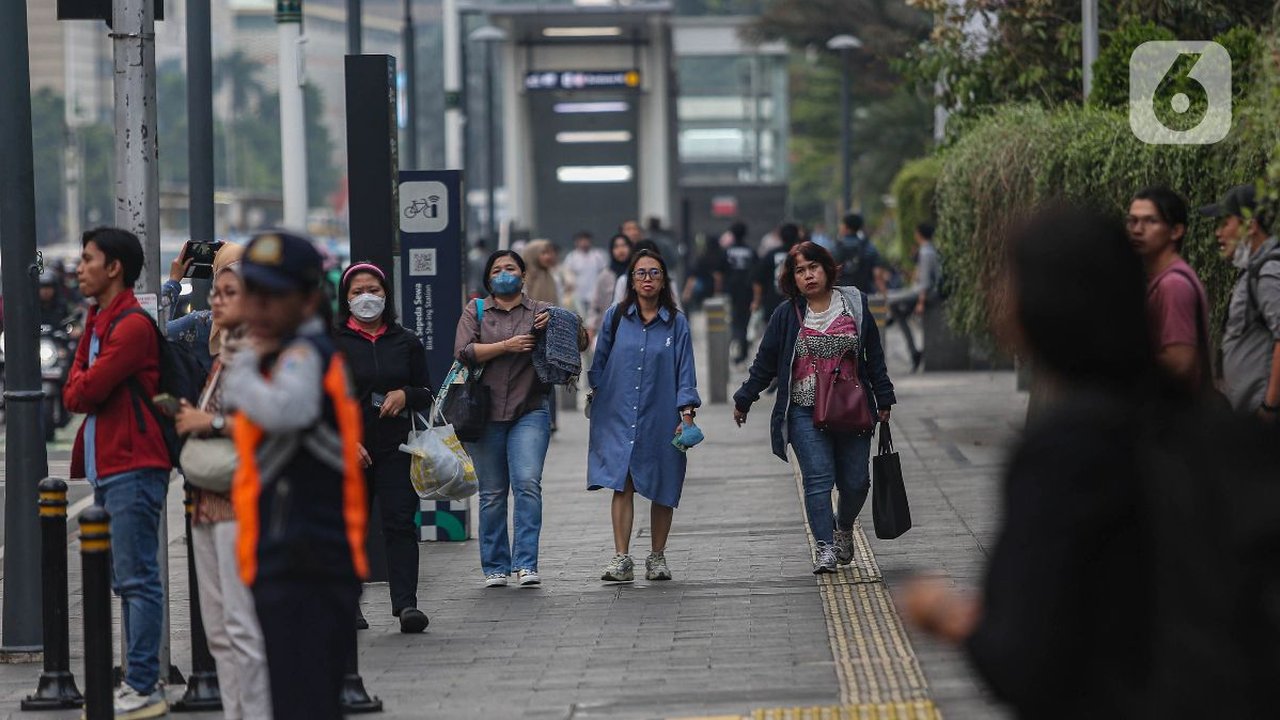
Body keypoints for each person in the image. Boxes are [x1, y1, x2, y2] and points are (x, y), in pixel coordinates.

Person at [901, 205, 1280, 718]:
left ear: (1040, 307)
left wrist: (941, 611)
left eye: (1009, 280)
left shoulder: (1065, 450)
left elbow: (1022, 658)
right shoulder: (1217, 429)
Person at [225, 231, 369, 720]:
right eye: (252, 292)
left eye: (273, 294)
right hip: (293, 556)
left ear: (308, 299)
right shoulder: (292, 352)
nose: (258, 306)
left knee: (302, 702)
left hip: (305, 561)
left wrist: (241, 368)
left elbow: (288, 411)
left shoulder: (303, 355)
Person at [733, 241, 896, 573]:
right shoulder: (786, 314)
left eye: (813, 267)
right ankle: (825, 548)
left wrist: (884, 397)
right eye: (800, 271)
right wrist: (745, 397)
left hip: (851, 408)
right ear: (792, 278)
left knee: (856, 483)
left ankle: (843, 526)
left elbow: (874, 356)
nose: (808, 276)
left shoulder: (854, 303)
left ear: (827, 268)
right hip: (804, 411)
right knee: (818, 479)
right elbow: (765, 362)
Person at [63, 227, 172, 719]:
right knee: (122, 580)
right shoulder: (100, 319)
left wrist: (83, 384)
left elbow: (85, 391)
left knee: (137, 579)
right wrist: (83, 380)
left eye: (88, 259)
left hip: (134, 464)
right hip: (107, 465)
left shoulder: (131, 327)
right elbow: (73, 390)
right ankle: (137, 679)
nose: (80, 268)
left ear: (114, 268)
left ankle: (144, 684)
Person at [173, 245, 274, 720]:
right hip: (207, 502)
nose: (216, 301)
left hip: (242, 502)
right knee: (218, 629)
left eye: (229, 293)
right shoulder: (220, 355)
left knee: (242, 624)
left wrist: (208, 423)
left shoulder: (261, 355)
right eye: (216, 291)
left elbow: (272, 425)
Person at [333, 261, 434, 633]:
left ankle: (406, 605)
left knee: (400, 523)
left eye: (373, 291)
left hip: (397, 448)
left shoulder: (406, 341)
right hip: (349, 449)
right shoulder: (333, 343)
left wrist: (405, 394)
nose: (366, 298)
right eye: (358, 292)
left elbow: (426, 391)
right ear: (345, 298)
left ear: (386, 295)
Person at [588, 250, 700, 582]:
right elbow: (599, 363)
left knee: (664, 482)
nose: (647, 279)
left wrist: (687, 413)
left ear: (664, 281)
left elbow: (685, 371)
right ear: (632, 281)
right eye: (641, 273)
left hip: (661, 415)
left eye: (654, 273)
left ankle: (657, 557)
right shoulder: (616, 317)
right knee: (622, 482)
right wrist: (599, 399)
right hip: (618, 414)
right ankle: (621, 558)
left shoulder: (676, 322)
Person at [454, 251, 559, 587]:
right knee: (492, 493)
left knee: (527, 483)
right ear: (488, 278)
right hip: (484, 414)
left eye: (510, 268)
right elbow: (465, 352)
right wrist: (506, 346)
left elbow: (576, 344)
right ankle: (495, 566)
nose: (504, 274)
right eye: (497, 270)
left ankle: (526, 563)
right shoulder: (476, 310)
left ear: (523, 275)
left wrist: (557, 324)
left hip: (530, 410)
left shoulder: (541, 311)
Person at [1201, 184, 1280, 417]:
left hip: (1264, 419)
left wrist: (1269, 407)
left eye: (1225, 223)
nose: (1218, 233)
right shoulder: (1254, 270)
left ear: (1250, 226)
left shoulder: (1268, 271)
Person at [1126, 187, 1212, 391]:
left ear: (1176, 231)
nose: (1137, 230)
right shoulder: (1162, 279)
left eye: (1151, 221)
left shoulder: (1173, 284)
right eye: (1133, 221)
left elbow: (1180, 363)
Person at [164, 241, 218, 376]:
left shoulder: (202, 324)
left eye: (230, 292)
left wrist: (173, 281)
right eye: (217, 292)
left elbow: (156, 331)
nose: (219, 300)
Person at [587, 234, 633, 344]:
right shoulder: (605, 275)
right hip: (609, 328)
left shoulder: (637, 273)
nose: (621, 250)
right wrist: (591, 329)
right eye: (616, 247)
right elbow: (596, 305)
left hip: (633, 327)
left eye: (624, 245)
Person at [752, 223, 801, 322]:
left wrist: (756, 301)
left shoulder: (770, 255)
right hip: (798, 303)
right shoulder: (802, 254)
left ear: (781, 237)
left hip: (773, 303)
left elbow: (758, 279)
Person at [724, 222, 758, 364]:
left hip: (731, 289)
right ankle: (742, 349)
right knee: (744, 320)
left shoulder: (727, 251)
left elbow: (720, 271)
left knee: (734, 319)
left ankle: (736, 341)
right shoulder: (751, 251)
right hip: (747, 289)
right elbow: (756, 272)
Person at [563, 231, 609, 320]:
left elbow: (604, 273)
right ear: (576, 242)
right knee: (580, 317)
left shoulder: (598, 255)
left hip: (595, 293)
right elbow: (567, 275)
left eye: (586, 240)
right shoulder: (571, 257)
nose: (584, 243)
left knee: (595, 317)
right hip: (578, 294)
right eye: (581, 240)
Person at [835, 214, 884, 294]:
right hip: (865, 294)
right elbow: (877, 275)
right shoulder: (869, 246)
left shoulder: (836, 247)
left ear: (845, 227)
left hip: (842, 295)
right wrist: (884, 294)